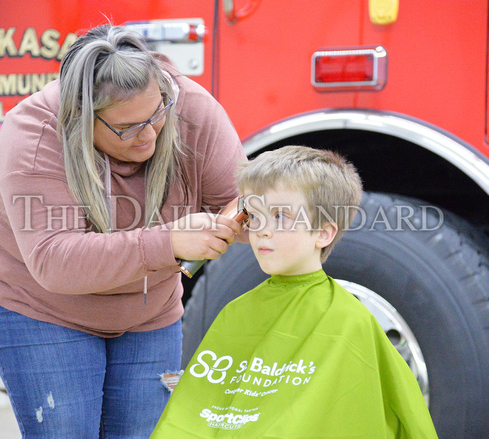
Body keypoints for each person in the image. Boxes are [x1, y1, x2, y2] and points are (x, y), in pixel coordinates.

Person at [0, 24, 246, 438]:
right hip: (41, 306)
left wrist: (241, 217)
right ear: (81, 119)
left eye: (156, 114)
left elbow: (238, 195)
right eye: (128, 127)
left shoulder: (191, 107)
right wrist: (168, 242)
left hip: (148, 311)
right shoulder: (34, 131)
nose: (150, 133)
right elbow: (54, 262)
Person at [151, 145, 438, 438]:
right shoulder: (235, 312)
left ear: (324, 233)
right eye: (255, 215)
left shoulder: (349, 324)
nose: (261, 230)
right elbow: (195, 416)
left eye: (280, 217)